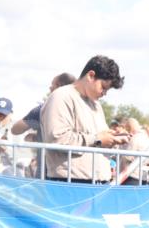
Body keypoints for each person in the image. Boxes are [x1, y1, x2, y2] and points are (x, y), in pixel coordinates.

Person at [40, 55, 128, 183]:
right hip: (71, 184)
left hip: (98, 183)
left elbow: (99, 138)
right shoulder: (61, 97)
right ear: (91, 76)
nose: (104, 93)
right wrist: (98, 139)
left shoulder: (96, 105)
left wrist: (112, 138)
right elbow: (57, 139)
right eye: (103, 87)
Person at [12, 72, 76, 140]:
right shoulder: (83, 109)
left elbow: (15, 129)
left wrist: (36, 138)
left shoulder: (44, 109)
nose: (50, 87)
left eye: (52, 84)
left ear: (59, 87)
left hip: (50, 150)